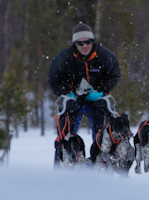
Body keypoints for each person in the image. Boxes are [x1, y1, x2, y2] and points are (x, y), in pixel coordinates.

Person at [48, 22, 121, 163]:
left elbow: (115, 73)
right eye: (80, 43)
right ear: (74, 44)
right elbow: (53, 79)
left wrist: (104, 88)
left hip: (96, 98)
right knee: (67, 128)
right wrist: (67, 92)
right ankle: (65, 158)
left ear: (93, 41)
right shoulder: (64, 57)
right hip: (74, 98)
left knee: (103, 124)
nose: (85, 46)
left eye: (88, 42)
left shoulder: (104, 55)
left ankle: (100, 158)